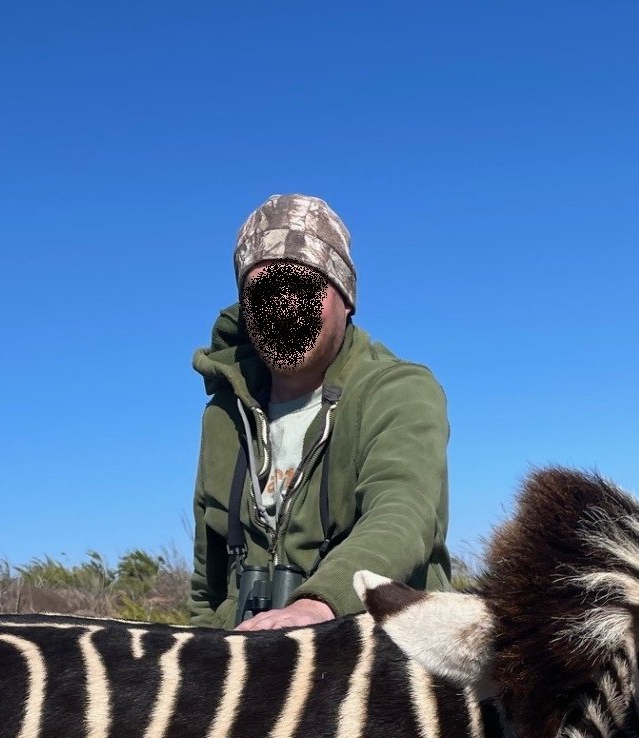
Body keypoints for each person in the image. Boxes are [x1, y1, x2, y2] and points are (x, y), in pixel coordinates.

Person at [188, 194, 452, 630]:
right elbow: (207, 583)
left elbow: (403, 514)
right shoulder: (222, 414)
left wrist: (316, 606)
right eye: (263, 294)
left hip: (373, 649)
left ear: (345, 296)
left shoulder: (401, 390)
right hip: (246, 655)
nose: (282, 307)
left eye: (299, 288)